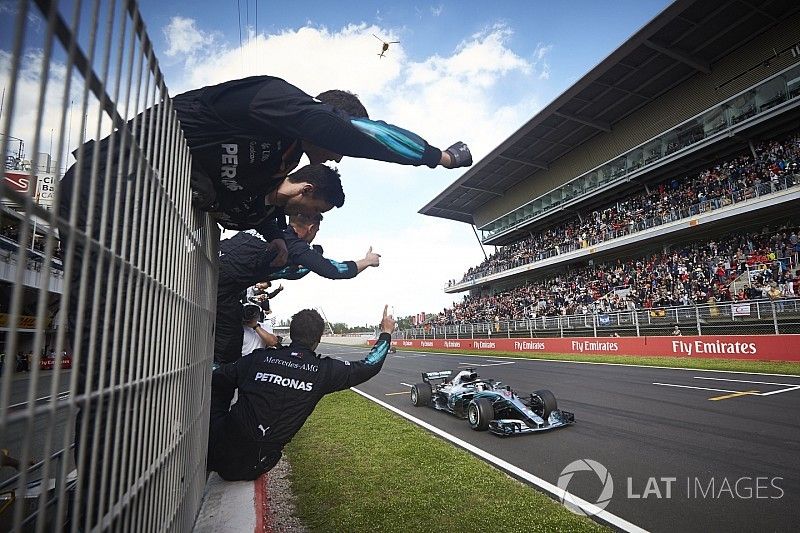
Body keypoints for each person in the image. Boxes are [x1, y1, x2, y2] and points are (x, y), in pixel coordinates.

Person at [207, 305, 395, 481]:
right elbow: (370, 365)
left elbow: (218, 378)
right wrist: (386, 332)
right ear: (318, 338)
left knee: (223, 382)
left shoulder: (259, 358)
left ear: (291, 332)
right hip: (256, 464)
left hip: (217, 447)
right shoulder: (323, 371)